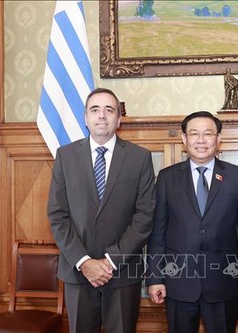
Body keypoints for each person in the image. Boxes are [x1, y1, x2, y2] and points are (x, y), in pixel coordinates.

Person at [47, 87, 156, 332]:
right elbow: (57, 215)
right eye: (95, 110)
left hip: (122, 273)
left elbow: (144, 217)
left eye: (109, 110)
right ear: (85, 117)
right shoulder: (65, 156)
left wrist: (110, 262)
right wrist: (84, 261)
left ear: (119, 119)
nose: (102, 116)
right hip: (78, 273)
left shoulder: (139, 158)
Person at [146, 111, 238, 333]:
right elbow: (157, 234)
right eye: (194, 134)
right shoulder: (167, 178)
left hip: (224, 283)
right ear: (184, 139)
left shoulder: (236, 177)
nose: (201, 140)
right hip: (178, 283)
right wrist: (154, 277)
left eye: (208, 134)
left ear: (218, 139)